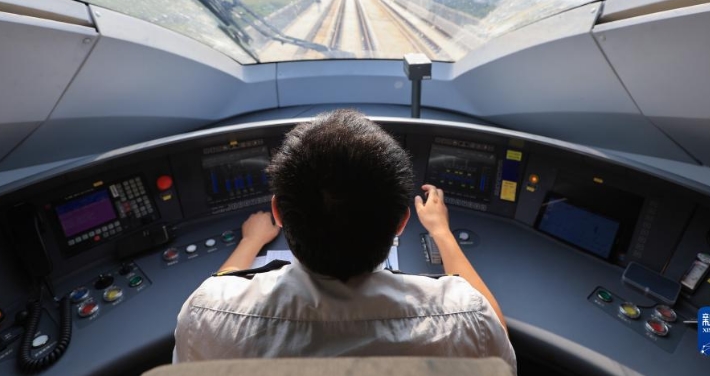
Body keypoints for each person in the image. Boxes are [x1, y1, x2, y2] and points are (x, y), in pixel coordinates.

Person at [173, 109, 516, 371]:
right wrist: (441, 232)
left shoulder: (205, 312)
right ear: (401, 223)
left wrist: (250, 242)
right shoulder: (466, 317)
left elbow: (219, 290)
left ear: (278, 211)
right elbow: (495, 335)